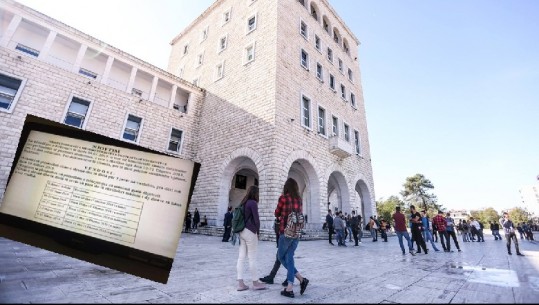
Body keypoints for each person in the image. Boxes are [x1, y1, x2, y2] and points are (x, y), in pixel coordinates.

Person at [275, 178, 309, 298]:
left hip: (286, 232)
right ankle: (292, 285)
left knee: (281, 257)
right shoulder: (299, 200)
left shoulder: (283, 198)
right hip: (296, 233)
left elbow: (277, 213)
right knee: (290, 258)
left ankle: (298, 280)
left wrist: (281, 216)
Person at [236, 186, 266, 291]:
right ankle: (255, 282)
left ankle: (240, 284)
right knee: (252, 258)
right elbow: (256, 220)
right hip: (250, 231)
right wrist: (257, 232)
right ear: (255, 193)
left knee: (241, 257)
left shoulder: (244, 202)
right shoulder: (253, 203)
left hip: (242, 231)